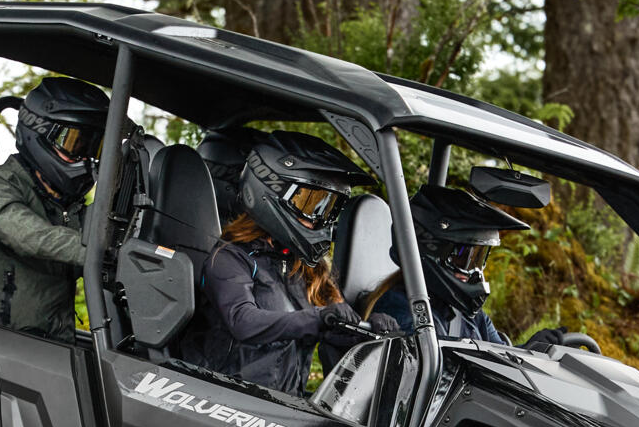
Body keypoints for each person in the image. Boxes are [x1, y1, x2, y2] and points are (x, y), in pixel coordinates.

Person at [180, 131, 395, 396]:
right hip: (220, 398)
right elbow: (244, 321)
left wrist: (368, 330)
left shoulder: (308, 270)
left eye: (329, 208)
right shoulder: (230, 257)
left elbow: (332, 330)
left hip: (280, 404)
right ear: (272, 191)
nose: (320, 219)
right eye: (312, 204)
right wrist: (318, 318)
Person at [0, 75, 109, 338]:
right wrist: (103, 251)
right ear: (39, 132)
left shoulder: (67, 205)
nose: (86, 158)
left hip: (52, 343)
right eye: (74, 143)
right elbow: (30, 235)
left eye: (95, 149)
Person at [367, 184, 528, 344]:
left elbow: (504, 355)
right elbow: (434, 358)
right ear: (432, 250)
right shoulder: (401, 310)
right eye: (463, 258)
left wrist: (537, 347)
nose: (475, 272)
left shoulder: (467, 314)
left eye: (478, 259)